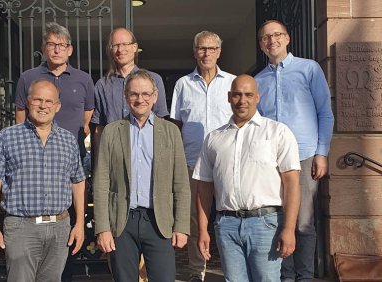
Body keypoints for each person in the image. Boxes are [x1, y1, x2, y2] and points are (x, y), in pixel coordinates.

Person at [194, 74, 301, 281]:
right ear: (228, 97)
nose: (242, 101)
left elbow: (292, 184)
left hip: (266, 224)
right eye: (237, 95)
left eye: (248, 95)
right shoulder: (214, 138)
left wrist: (289, 229)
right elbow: (204, 187)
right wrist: (202, 230)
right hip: (226, 225)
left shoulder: (277, 132)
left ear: (258, 97)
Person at [0, 79, 86, 282]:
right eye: (37, 99)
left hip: (59, 227)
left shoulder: (68, 140)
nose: (43, 105)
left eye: (49, 101)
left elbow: (78, 181)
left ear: (57, 106)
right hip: (21, 227)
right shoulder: (7, 137)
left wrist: (79, 223)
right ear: (28, 102)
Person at [254, 19, 334, 281]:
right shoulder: (258, 80)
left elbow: (325, 113)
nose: (272, 40)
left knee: (303, 222)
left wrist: (322, 153)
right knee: (278, 221)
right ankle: (285, 276)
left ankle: (305, 276)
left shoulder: (308, 69)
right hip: (271, 161)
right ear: (261, 44)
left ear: (287, 38)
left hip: (305, 154)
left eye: (277, 35)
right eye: (266, 37)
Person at [93, 69, 190, 282]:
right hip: (122, 222)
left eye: (146, 94)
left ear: (155, 97)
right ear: (126, 97)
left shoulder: (170, 132)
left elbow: (181, 183)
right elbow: (101, 183)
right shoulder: (111, 131)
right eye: (134, 94)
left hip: (159, 222)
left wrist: (182, 226)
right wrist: (102, 228)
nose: (140, 99)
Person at [169, 30, 235, 282]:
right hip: (192, 162)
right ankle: (198, 272)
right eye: (201, 48)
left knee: (229, 218)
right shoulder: (182, 85)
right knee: (196, 221)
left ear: (219, 51)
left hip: (227, 162)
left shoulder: (232, 82)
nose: (206, 53)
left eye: (211, 48)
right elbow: (175, 125)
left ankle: (232, 271)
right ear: (194, 51)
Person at [14, 22, 95, 159]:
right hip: (34, 154)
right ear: (44, 48)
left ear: (70, 50)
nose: (57, 51)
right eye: (51, 45)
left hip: (72, 153)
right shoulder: (27, 77)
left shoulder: (84, 80)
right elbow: (20, 117)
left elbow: (87, 121)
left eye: (62, 46)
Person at [91, 27, 169, 156]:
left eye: (125, 44)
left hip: (147, 153)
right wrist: (99, 164)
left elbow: (161, 122)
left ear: (134, 47)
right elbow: (99, 128)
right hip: (114, 154)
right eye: (115, 45)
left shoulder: (154, 80)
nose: (120, 50)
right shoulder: (102, 85)